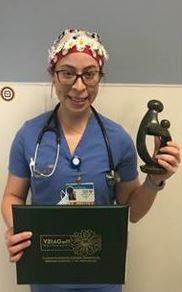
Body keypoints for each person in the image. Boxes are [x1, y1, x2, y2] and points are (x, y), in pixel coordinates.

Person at [1, 28, 180, 292]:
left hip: (102, 278)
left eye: (89, 74)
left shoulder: (117, 139)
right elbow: (12, 196)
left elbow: (132, 212)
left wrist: (155, 180)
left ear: (99, 77)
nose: (79, 86)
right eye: (67, 73)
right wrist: (17, 229)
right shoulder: (29, 135)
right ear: (53, 75)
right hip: (47, 276)